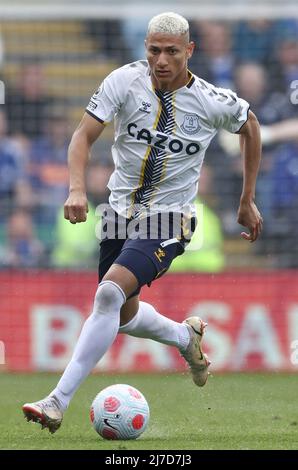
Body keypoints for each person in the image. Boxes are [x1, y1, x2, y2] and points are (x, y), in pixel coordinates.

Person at [22, 12, 263, 433]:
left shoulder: (210, 100)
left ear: (189, 51)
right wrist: (77, 189)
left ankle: (57, 400)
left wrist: (247, 200)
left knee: (108, 294)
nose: (162, 59)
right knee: (123, 314)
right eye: (154, 50)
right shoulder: (123, 82)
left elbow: (251, 126)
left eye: (172, 51)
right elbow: (83, 135)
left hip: (169, 218)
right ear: (145, 49)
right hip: (118, 214)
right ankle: (185, 338)